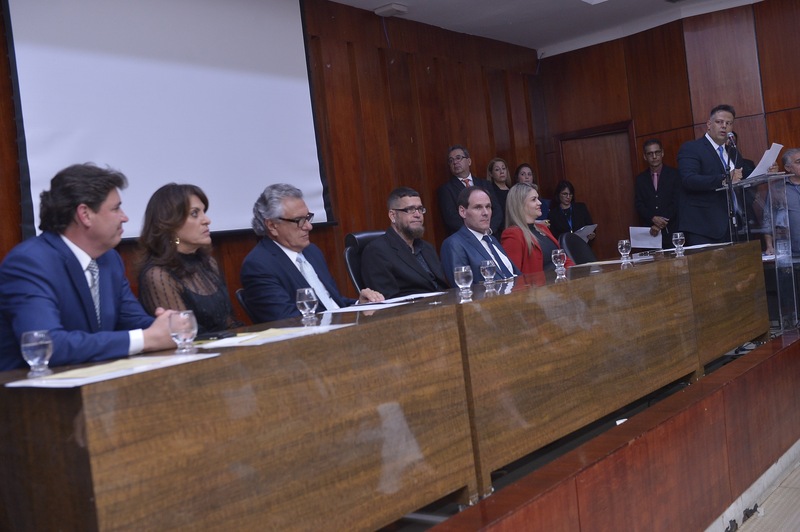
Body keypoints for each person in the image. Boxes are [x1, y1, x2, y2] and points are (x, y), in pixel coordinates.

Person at [0, 163, 175, 371]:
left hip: (93, 380)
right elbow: (48, 345)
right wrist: (146, 339)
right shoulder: (30, 262)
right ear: (85, 214)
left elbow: (132, 321)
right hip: (28, 387)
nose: (125, 217)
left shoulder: (109, 259)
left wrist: (168, 325)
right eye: (116, 208)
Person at [240, 183, 383, 323]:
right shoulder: (259, 265)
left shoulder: (312, 252)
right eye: (299, 221)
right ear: (272, 226)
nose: (309, 226)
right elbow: (286, 321)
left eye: (307, 218)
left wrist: (359, 304)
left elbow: (331, 303)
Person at [138, 183, 243, 335]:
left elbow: (229, 322)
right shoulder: (158, 275)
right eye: (194, 214)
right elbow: (184, 336)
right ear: (170, 224)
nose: (207, 220)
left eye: (204, 212)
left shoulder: (208, 263)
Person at [677, 104, 747, 245]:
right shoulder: (692, 148)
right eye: (719, 122)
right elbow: (689, 180)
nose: (724, 126)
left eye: (728, 123)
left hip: (733, 226)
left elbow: (743, 177)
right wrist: (724, 179)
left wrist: (766, 171)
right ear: (709, 125)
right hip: (704, 227)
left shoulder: (732, 151)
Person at [361, 187, 449, 298]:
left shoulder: (427, 248)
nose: (417, 214)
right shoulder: (376, 251)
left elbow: (441, 286)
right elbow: (387, 299)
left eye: (420, 209)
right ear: (393, 215)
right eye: (410, 209)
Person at [440, 186, 519, 285]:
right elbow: (463, 287)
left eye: (488, 207)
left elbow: (516, 275)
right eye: (478, 207)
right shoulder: (454, 244)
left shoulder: (492, 239)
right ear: (462, 211)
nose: (485, 213)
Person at [502, 183, 575, 274]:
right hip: (539, 283)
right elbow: (513, 275)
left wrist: (574, 272)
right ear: (520, 204)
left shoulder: (543, 228)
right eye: (534, 199)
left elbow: (562, 258)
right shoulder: (513, 235)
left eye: (538, 198)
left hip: (563, 280)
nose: (539, 203)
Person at [438, 145, 503, 235]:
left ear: (469, 161)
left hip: (490, 234)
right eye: (451, 160)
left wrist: (489, 230)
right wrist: (475, 233)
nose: (455, 162)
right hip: (465, 238)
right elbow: (451, 218)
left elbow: (497, 210)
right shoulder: (446, 189)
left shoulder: (485, 184)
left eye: (458, 158)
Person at [634, 139, 680, 249]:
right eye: (650, 154)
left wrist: (660, 223)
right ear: (645, 156)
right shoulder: (640, 179)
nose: (654, 157)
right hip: (650, 234)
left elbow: (677, 202)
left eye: (657, 152)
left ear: (662, 153)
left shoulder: (674, 175)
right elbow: (639, 204)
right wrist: (652, 218)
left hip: (672, 232)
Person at [763, 148, 800, 256]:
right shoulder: (778, 188)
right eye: (798, 162)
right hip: (790, 251)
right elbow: (768, 218)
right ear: (788, 168)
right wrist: (769, 246)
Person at [487, 157, 513, 224]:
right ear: (491, 173)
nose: (502, 172)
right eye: (497, 169)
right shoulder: (490, 192)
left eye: (503, 168)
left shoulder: (513, 190)